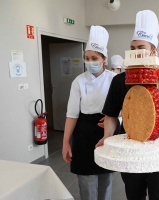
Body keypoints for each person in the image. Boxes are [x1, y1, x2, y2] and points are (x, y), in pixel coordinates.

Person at [96, 10, 159, 200]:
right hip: (129, 144)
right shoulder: (120, 81)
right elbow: (112, 114)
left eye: (140, 47)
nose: (135, 51)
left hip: (157, 145)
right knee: (133, 192)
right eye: (132, 47)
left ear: (154, 51)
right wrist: (107, 137)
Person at [62, 25, 120, 200]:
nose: (90, 62)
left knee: (106, 179)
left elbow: (125, 107)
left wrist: (116, 119)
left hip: (107, 131)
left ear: (104, 58)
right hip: (83, 133)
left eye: (94, 58)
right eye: (87, 58)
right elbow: (72, 114)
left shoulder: (114, 80)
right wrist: (66, 142)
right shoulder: (78, 82)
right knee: (86, 181)